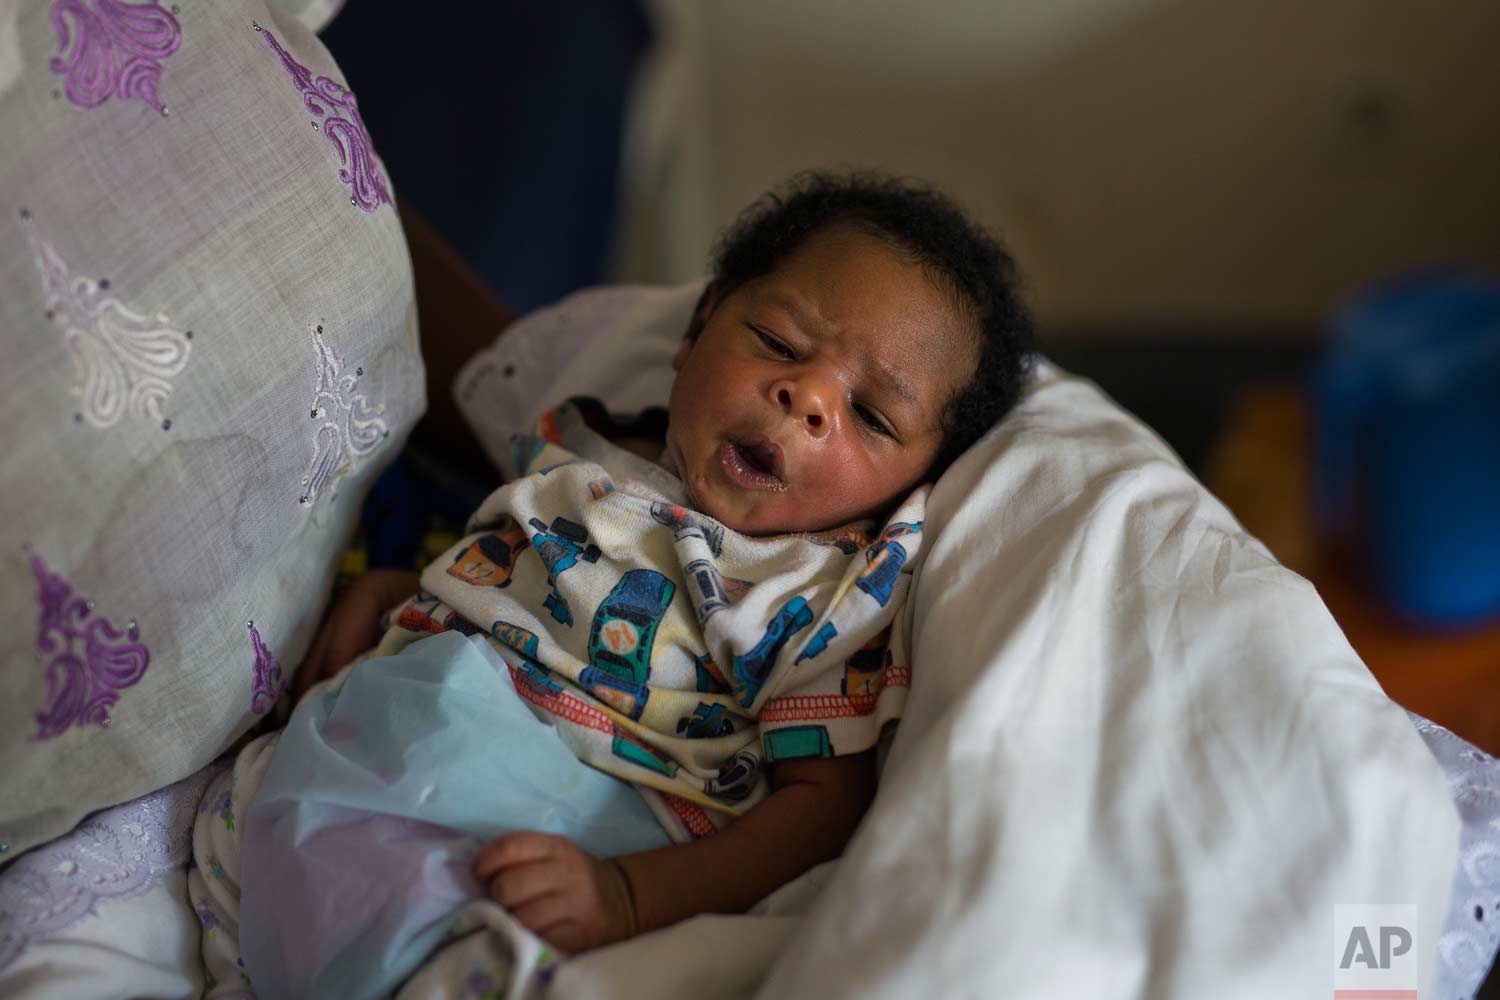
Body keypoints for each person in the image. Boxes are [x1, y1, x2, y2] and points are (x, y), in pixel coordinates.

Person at [189, 171, 1033, 996]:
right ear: (697, 329)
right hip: (341, 772)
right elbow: (515, 573)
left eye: (873, 416)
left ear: (912, 486)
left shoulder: (813, 596)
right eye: (778, 343)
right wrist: (406, 590)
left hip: (555, 832)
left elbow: (818, 812)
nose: (806, 395)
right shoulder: (584, 449)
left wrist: (628, 897)